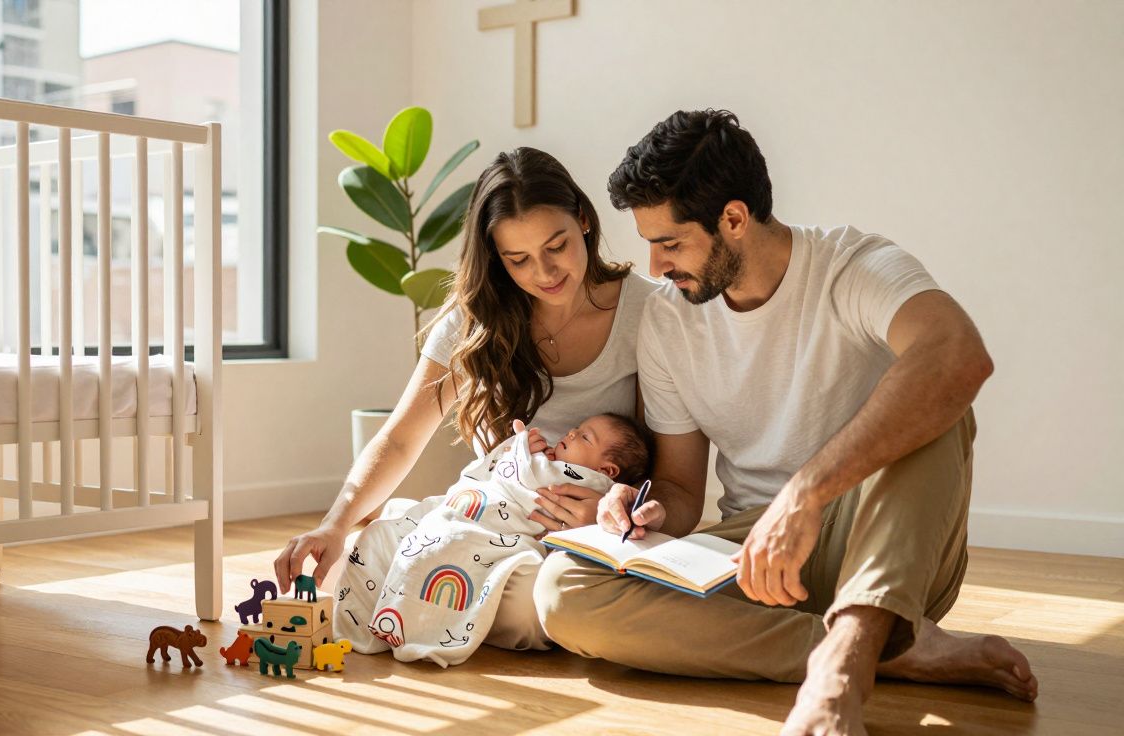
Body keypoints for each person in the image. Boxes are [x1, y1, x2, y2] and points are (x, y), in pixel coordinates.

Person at [533, 110, 1037, 736]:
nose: (656, 267)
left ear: (734, 220)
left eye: (670, 242)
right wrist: (637, 507)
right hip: (755, 557)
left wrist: (806, 494)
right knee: (564, 591)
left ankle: (844, 670)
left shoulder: (852, 267)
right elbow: (685, 491)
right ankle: (891, 651)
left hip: (881, 541)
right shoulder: (668, 320)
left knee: (939, 399)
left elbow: (960, 354)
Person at [274, 146, 660, 651]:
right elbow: (400, 439)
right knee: (370, 549)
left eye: (556, 246)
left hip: (584, 531)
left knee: (533, 604)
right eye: (517, 260)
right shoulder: (476, 318)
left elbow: (668, 469)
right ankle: (438, 594)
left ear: (584, 220)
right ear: (495, 258)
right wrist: (334, 525)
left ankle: (437, 601)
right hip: (485, 523)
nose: (544, 272)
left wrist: (614, 511)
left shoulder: (648, 309)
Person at [334, 414, 651, 667]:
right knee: (381, 534)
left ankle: (410, 616)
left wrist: (521, 451)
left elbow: (527, 478)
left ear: (606, 469)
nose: (570, 434)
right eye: (576, 429)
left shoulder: (588, 481)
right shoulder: (554, 462)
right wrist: (517, 449)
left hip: (502, 536)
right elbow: (500, 475)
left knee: (448, 545)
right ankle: (410, 610)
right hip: (476, 508)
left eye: (583, 437)